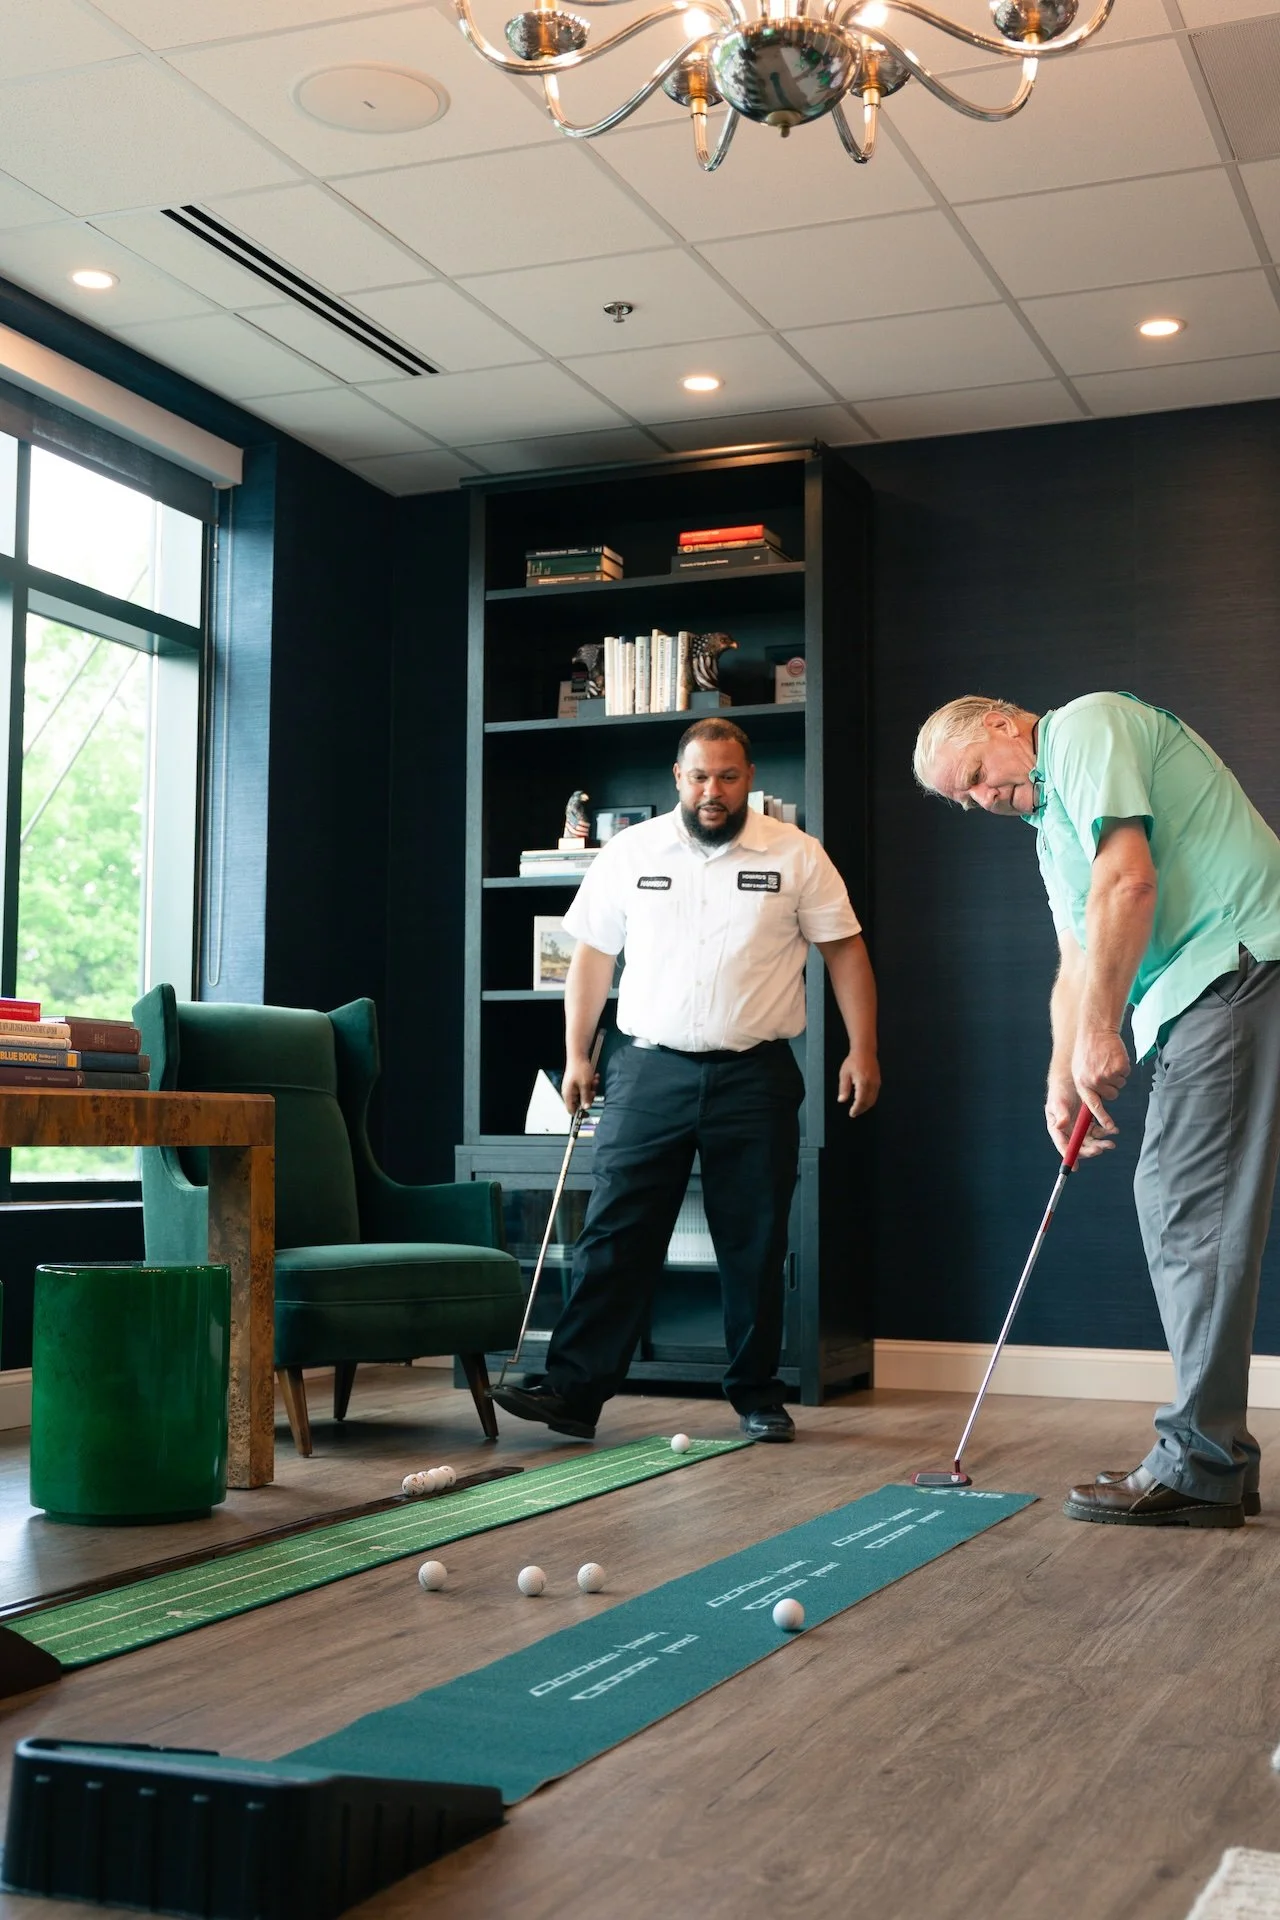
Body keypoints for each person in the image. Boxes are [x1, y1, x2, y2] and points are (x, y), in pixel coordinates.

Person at [913, 691, 1280, 1527]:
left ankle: (1201, 1462)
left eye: (973, 775)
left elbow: (1127, 881)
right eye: (961, 800)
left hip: (1237, 963)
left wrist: (1104, 1033)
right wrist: (1061, 1073)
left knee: (1189, 1209)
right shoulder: (1051, 830)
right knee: (1185, 1205)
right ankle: (1213, 1457)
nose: (978, 800)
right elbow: (1076, 956)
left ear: (1005, 724)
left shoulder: (1084, 725)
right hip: (1209, 987)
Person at [492, 718, 880, 1445]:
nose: (713, 791)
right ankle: (574, 1394)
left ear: (749, 778)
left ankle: (758, 1396)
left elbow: (847, 953)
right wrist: (578, 1055)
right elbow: (591, 960)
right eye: (700, 776)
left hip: (755, 1076)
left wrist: (863, 1050)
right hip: (647, 1072)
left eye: (728, 777)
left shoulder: (797, 856)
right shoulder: (630, 852)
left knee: (754, 1242)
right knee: (615, 1235)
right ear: (678, 777)